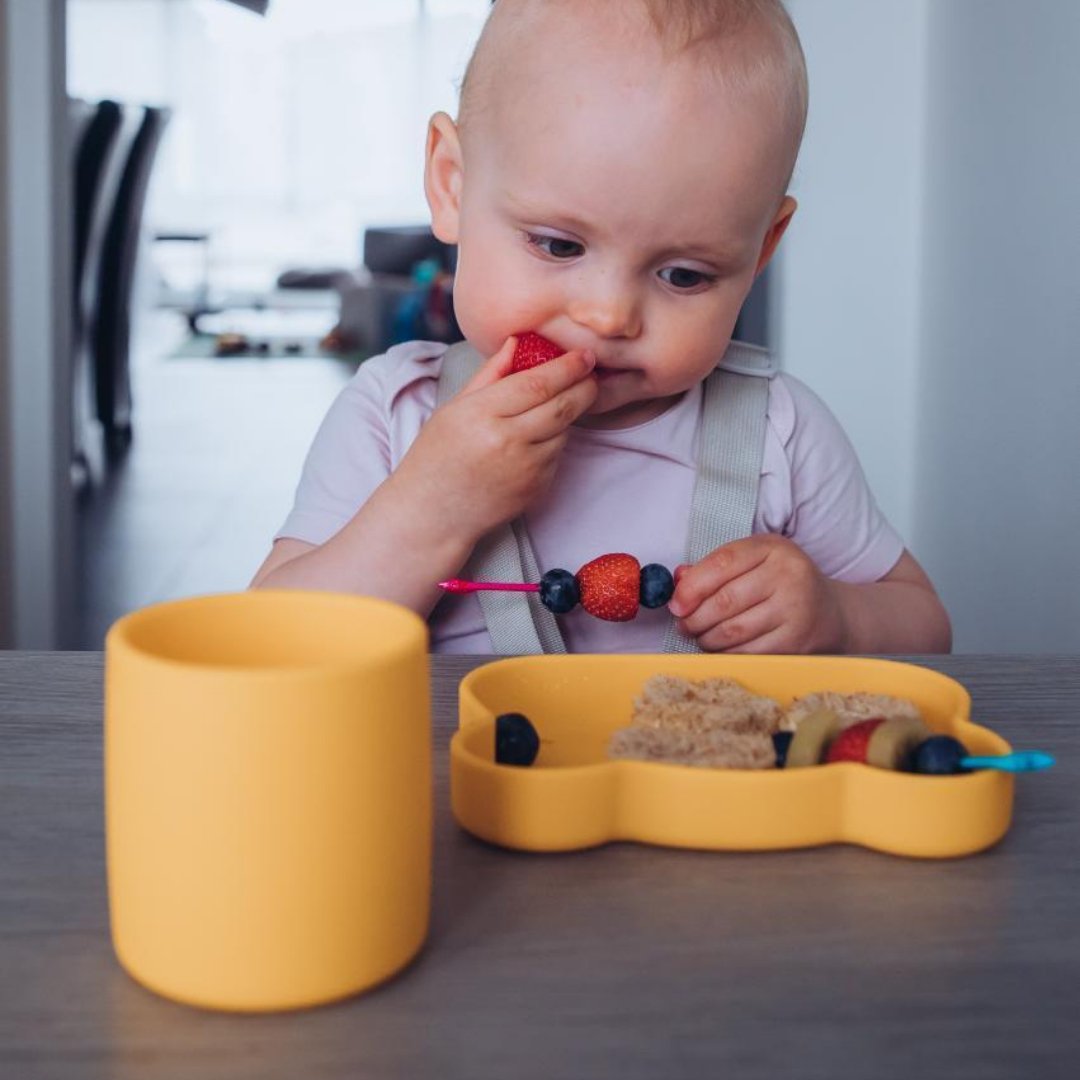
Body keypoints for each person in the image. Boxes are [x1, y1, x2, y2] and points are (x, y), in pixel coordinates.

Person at [251, 0, 952, 656]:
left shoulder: (778, 433)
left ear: (761, 251)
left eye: (683, 275)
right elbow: (272, 646)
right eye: (558, 245)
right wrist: (430, 506)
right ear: (452, 185)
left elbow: (926, 628)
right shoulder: (392, 417)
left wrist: (835, 617)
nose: (609, 316)